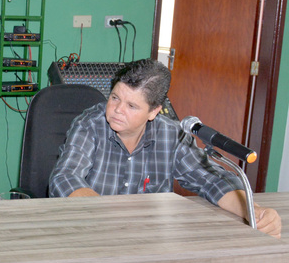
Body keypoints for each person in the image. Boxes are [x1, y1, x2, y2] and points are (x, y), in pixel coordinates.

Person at [48, 58, 281, 238]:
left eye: (131, 106)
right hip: (92, 235)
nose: (117, 110)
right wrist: (109, 220)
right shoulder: (89, 125)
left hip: (149, 240)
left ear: (154, 112)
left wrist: (255, 212)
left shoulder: (171, 135)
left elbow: (212, 180)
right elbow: (65, 178)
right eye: (115, 98)